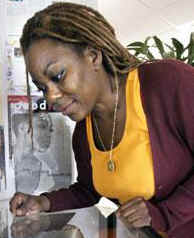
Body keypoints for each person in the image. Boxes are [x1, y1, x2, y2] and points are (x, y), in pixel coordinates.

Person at [9, 2, 194, 237]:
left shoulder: (168, 83)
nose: (52, 96)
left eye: (58, 75)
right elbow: (90, 191)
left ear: (93, 56)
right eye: (42, 87)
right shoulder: (84, 131)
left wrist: (163, 214)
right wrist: (44, 203)